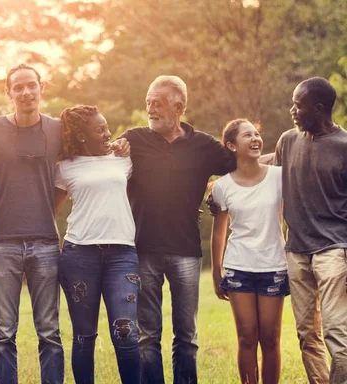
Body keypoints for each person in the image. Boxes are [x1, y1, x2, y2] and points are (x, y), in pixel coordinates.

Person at [120, 75, 235, 384]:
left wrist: (286, 160)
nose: (150, 109)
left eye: (157, 103)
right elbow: (102, 159)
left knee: (187, 335)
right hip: (143, 250)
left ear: (179, 107)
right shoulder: (134, 139)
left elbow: (244, 165)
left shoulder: (204, 145)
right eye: (148, 103)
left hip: (186, 251)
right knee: (148, 335)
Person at [0, 64, 65, 384]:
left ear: (42, 87)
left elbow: (68, 175)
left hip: (46, 242)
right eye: (18, 88)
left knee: (50, 331)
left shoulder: (58, 129)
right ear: (8, 93)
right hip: (1, 242)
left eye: (31, 85)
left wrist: (46, 209)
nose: (26, 92)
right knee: (3, 333)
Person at [55, 105, 140, 384]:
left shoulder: (123, 159)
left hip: (122, 254)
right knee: (84, 336)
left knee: (125, 333)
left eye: (107, 127)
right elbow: (49, 211)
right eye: (100, 129)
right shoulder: (64, 167)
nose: (107, 133)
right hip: (79, 254)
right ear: (81, 136)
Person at [273, 77, 347, 384]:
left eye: (298, 105)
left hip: (333, 250)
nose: (292, 109)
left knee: (337, 335)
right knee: (307, 334)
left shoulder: (344, 147)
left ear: (319, 109)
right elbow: (268, 179)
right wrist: (220, 187)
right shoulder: (287, 141)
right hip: (297, 251)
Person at [210, 119, 288, 384]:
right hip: (238, 267)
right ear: (232, 145)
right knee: (246, 336)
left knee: (270, 337)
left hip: (274, 266)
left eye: (256, 134)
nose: (255, 138)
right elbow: (219, 231)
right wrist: (216, 272)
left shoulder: (279, 176)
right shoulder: (222, 186)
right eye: (247, 136)